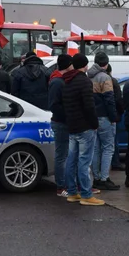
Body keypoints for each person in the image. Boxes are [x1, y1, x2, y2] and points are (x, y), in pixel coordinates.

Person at [61, 53, 104, 206]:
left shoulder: (67, 81)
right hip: (85, 127)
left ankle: (72, 192)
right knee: (84, 161)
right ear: (85, 66)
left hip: (72, 126)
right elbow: (89, 106)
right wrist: (94, 123)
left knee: (71, 160)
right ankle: (86, 194)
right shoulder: (84, 81)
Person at [86, 51, 120, 190]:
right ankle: (105, 178)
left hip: (93, 117)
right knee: (108, 148)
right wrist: (114, 117)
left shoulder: (89, 77)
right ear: (106, 63)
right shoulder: (105, 77)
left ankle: (97, 178)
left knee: (96, 149)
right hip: (105, 117)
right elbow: (109, 99)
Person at [47, 54, 73, 196]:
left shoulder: (59, 80)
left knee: (64, 154)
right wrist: (66, 116)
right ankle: (61, 186)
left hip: (61, 121)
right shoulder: (57, 82)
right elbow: (54, 104)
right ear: (68, 65)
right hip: (61, 122)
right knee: (62, 155)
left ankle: (65, 184)